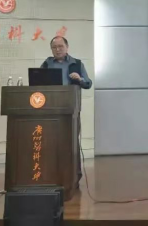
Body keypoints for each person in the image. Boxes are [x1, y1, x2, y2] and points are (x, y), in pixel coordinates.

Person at [40, 36, 92, 188]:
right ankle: (52, 176)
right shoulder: (47, 64)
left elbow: (88, 83)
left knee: (71, 144)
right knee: (51, 144)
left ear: (67, 47)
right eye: (54, 47)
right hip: (51, 111)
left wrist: (80, 79)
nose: (57, 50)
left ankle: (73, 176)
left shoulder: (76, 63)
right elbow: (37, 82)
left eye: (60, 46)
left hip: (71, 111)